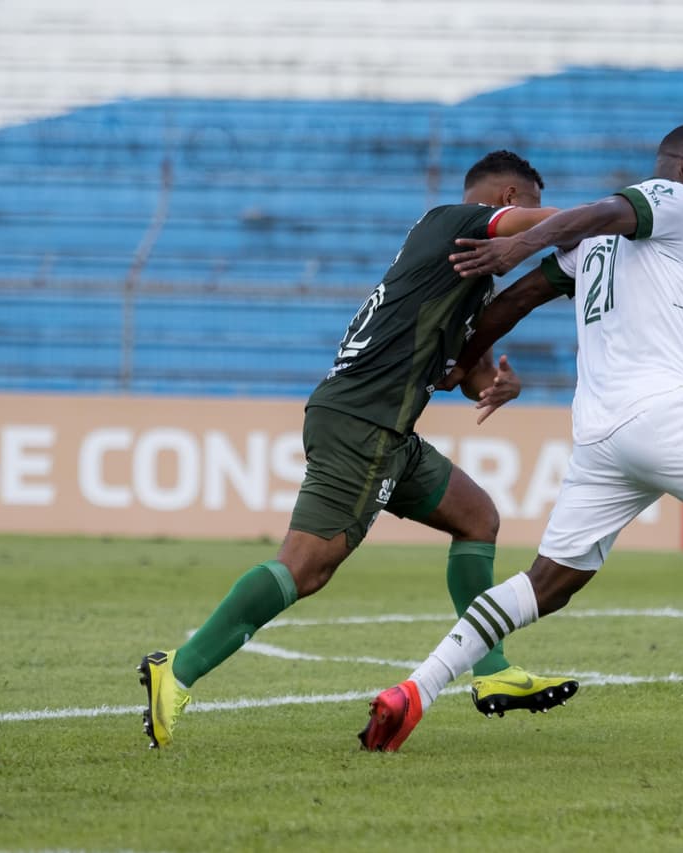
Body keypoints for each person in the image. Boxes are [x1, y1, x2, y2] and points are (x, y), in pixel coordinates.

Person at [357, 125, 683, 761]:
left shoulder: (591, 244)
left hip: (602, 438)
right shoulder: (672, 200)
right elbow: (607, 208)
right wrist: (521, 242)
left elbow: (516, 301)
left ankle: (415, 691)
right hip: (663, 415)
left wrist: (462, 362)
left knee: (547, 582)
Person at [137, 151, 579, 749]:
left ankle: (492, 671)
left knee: (477, 518)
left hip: (387, 432)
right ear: (504, 199)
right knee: (306, 566)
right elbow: (536, 225)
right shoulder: (458, 221)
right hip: (362, 424)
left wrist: (497, 384)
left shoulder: (463, 273)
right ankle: (178, 671)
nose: (530, 220)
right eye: (525, 208)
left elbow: (458, 372)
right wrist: (599, 220)